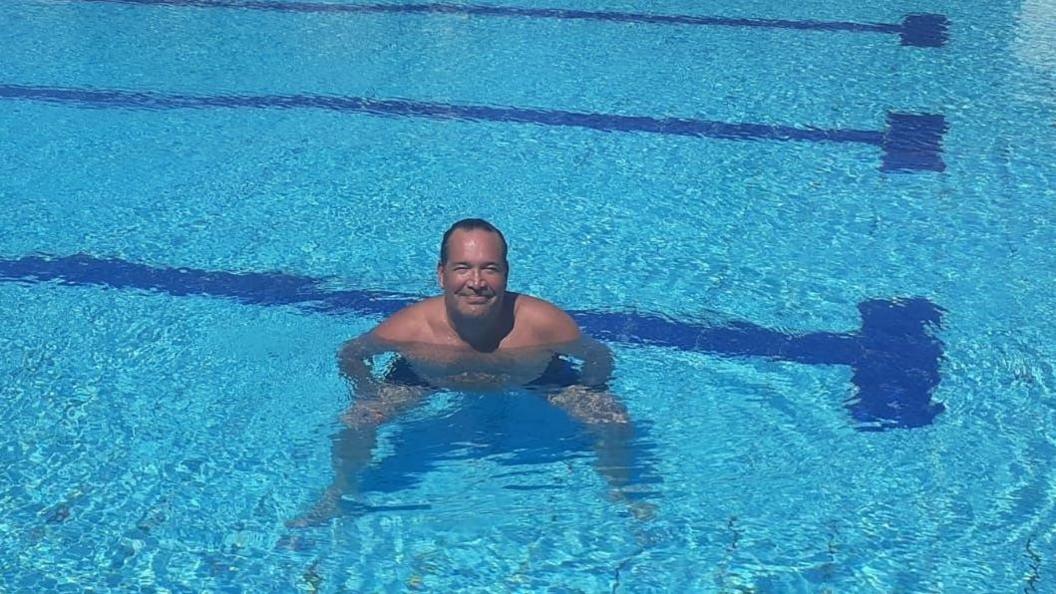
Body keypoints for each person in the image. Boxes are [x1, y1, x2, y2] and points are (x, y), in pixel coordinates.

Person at [291, 218, 644, 526]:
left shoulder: (543, 324)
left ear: (506, 274)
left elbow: (597, 355)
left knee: (613, 420)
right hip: (427, 377)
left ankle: (623, 494)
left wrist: (590, 390)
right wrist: (369, 394)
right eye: (463, 268)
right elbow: (352, 354)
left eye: (489, 268)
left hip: (536, 377)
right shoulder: (409, 329)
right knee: (359, 419)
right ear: (441, 274)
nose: (476, 282)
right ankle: (339, 493)